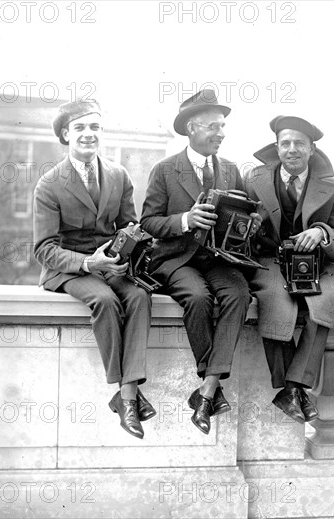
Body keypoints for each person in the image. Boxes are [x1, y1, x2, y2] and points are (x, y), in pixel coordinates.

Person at [140, 89, 260, 435]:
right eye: (213, 127)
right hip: (176, 259)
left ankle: (207, 388)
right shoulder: (164, 170)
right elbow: (148, 222)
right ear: (192, 128)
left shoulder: (231, 171)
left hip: (219, 259)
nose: (220, 134)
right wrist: (185, 220)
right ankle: (211, 388)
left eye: (223, 127)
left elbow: (245, 216)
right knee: (197, 298)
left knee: (238, 295)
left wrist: (250, 224)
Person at [33, 100, 154, 440]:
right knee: (105, 301)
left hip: (111, 265)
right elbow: (44, 249)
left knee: (141, 296)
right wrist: (88, 263)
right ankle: (128, 397)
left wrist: (127, 251)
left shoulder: (118, 175)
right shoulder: (49, 184)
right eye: (81, 128)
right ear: (66, 134)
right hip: (71, 269)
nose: (89, 135)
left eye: (95, 127)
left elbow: (130, 226)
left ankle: (125, 396)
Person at [245, 116, 334, 424]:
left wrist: (321, 232)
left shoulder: (332, 188)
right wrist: (249, 229)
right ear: (277, 147)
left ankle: (292, 387)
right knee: (276, 302)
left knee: (330, 299)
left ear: (312, 149)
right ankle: (291, 388)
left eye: (299, 144)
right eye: (285, 144)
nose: (292, 150)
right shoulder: (254, 180)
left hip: (318, 262)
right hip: (270, 259)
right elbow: (237, 222)